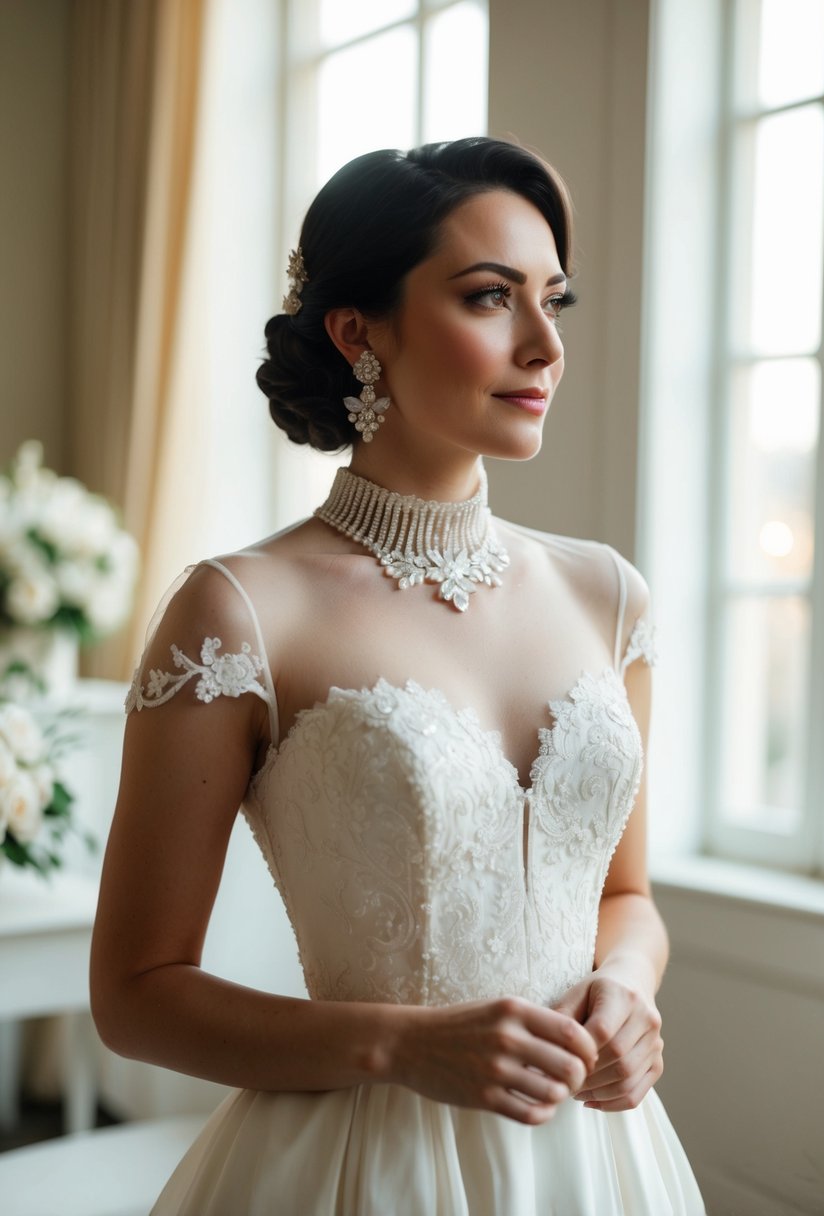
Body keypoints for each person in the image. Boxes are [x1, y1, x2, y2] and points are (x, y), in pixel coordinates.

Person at [90, 137, 706, 1214]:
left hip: (597, 1163)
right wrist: (401, 1047)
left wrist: (628, 985)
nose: (543, 346)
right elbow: (137, 997)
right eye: (488, 298)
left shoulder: (609, 596)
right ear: (356, 330)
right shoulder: (236, 611)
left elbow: (624, 894)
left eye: (554, 302)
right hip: (360, 1164)